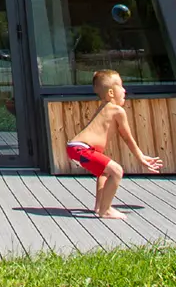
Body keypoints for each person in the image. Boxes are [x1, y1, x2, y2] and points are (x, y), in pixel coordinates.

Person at [64, 69, 163, 220]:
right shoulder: (117, 110)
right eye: (121, 86)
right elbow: (127, 137)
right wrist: (140, 157)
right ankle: (106, 210)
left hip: (75, 148)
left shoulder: (104, 108)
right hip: (81, 148)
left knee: (104, 172)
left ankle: (99, 206)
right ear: (111, 93)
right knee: (116, 171)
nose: (125, 90)